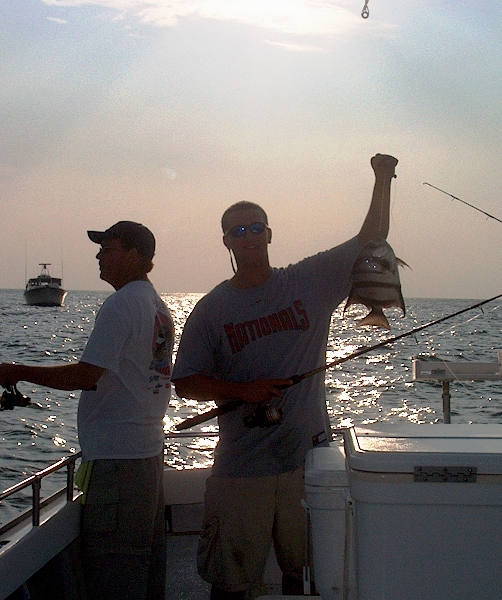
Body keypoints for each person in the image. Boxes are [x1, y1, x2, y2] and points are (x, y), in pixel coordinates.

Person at [171, 154, 398, 599]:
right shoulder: (211, 309)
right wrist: (241, 390)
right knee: (232, 583)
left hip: (307, 460)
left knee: (308, 576)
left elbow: (371, 238)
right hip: (241, 468)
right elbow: (186, 383)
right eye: (238, 230)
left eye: (256, 227)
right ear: (226, 242)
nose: (249, 236)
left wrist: (383, 178)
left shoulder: (308, 281)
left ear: (270, 234)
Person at [0, 221, 175, 600]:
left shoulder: (121, 304)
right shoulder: (156, 304)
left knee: (115, 573)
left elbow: (86, 376)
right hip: (147, 457)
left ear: (135, 255)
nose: (98, 255)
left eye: (108, 248)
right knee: (142, 567)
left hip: (118, 466)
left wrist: (17, 370)